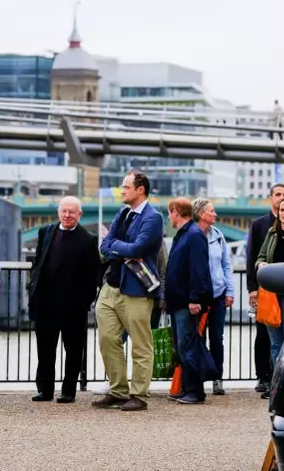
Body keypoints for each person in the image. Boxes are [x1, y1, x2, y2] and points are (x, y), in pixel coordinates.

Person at [93, 171, 163, 412]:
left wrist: (118, 247)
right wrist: (121, 249)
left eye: (126, 187)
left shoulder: (153, 217)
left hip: (136, 289)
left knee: (140, 344)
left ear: (140, 189)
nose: (122, 191)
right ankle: (118, 390)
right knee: (107, 339)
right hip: (111, 287)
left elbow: (138, 248)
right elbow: (105, 244)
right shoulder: (123, 213)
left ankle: (139, 394)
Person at [27, 196, 100, 404]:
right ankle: (45, 390)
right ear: (58, 212)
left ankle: (68, 391)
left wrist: (84, 302)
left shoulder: (87, 239)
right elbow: (38, 261)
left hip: (73, 307)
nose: (67, 215)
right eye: (64, 211)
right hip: (45, 303)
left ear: (80, 214)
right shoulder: (46, 232)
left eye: (71, 212)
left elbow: (92, 275)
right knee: (45, 350)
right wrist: (33, 284)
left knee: (73, 351)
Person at [163, 198, 211, 404]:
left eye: (169, 212)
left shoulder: (193, 235)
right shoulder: (185, 234)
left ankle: (195, 391)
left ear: (175, 212)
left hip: (186, 303)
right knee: (183, 346)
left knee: (188, 346)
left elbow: (198, 269)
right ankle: (187, 388)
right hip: (178, 302)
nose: (168, 217)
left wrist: (194, 298)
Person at [246, 183, 284, 394]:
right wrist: (251, 288)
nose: (281, 198)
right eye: (278, 194)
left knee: (283, 337)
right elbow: (252, 255)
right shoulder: (260, 225)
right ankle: (263, 376)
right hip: (265, 291)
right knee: (263, 335)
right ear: (271, 198)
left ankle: (279, 378)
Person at [192, 199, 234, 397]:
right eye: (212, 211)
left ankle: (217, 377)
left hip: (218, 295)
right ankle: (197, 378)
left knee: (217, 338)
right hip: (199, 296)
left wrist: (230, 291)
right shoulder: (192, 235)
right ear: (201, 214)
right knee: (197, 338)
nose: (215, 214)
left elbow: (226, 264)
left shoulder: (218, 236)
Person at [256, 197, 284, 384]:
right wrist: (261, 264)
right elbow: (260, 257)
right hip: (272, 295)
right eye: (282, 210)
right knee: (276, 343)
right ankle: (277, 384)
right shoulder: (272, 233)